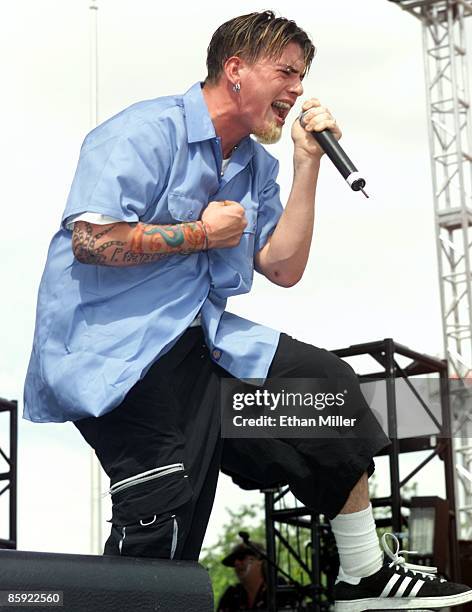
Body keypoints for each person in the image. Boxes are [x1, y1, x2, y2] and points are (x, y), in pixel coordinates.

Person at [23, 10, 472, 611]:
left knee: (325, 396)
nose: (297, 89)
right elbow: (91, 240)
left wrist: (307, 161)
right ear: (235, 70)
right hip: (116, 356)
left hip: (203, 350)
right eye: (286, 71)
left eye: (303, 75)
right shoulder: (145, 131)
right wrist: (198, 235)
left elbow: (283, 267)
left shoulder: (255, 166)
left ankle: (362, 573)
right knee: (166, 510)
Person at [217, 542, 295, 611]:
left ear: (260, 560)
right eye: (234, 561)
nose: (236, 563)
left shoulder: (280, 587)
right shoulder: (231, 595)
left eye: (241, 557)